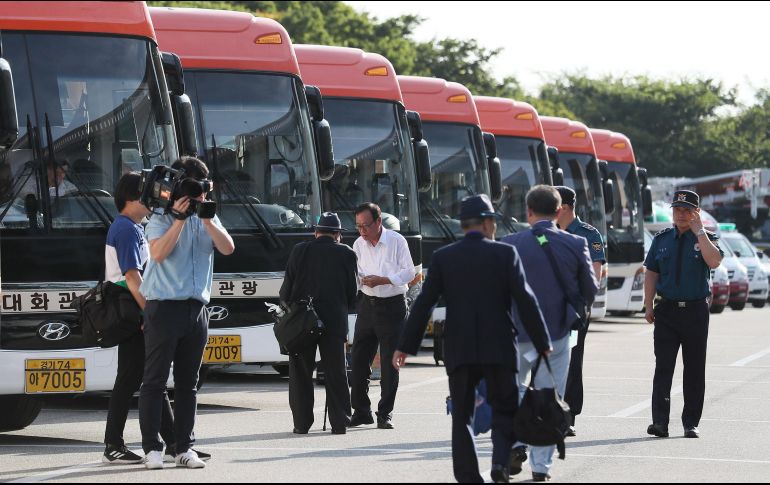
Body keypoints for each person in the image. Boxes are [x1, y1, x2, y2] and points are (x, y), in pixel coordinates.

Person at [394, 194, 552, 484]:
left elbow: (424, 303)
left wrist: (404, 346)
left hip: (460, 348)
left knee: (463, 415)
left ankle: (467, 476)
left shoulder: (444, 257)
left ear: (463, 225)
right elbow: (525, 300)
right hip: (499, 347)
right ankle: (500, 464)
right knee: (505, 409)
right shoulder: (505, 254)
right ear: (488, 223)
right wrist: (542, 342)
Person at [101, 172, 210, 466]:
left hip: (139, 310)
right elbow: (132, 277)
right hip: (134, 310)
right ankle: (114, 443)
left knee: (150, 378)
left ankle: (174, 442)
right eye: (147, 194)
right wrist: (149, 312)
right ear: (132, 198)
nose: (155, 199)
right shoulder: (126, 229)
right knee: (134, 379)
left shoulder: (134, 227)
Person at [139, 157, 235, 470]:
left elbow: (228, 248)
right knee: (155, 381)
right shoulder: (160, 216)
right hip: (164, 306)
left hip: (197, 309)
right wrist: (179, 219)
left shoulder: (208, 215)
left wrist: (207, 220)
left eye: (203, 188)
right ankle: (152, 448)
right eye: (193, 187)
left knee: (188, 384)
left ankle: (184, 447)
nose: (198, 194)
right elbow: (158, 253)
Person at [502, 185, 598, 482]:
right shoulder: (576, 243)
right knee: (548, 397)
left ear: (528, 211)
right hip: (556, 333)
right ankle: (541, 467)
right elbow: (590, 288)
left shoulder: (510, 243)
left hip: (517, 332)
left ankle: (514, 444)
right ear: (559, 211)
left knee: (513, 389)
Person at [644, 190, 723, 439]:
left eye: (687, 210)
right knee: (663, 368)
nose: (681, 214)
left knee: (694, 369)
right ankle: (660, 422)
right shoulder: (661, 239)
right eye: (677, 209)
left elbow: (714, 261)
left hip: (695, 311)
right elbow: (652, 272)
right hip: (666, 311)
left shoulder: (706, 238)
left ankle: (691, 423)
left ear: (696, 213)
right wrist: (648, 304)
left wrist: (700, 232)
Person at [280, 212, 358, 435]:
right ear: (337, 234)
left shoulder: (299, 250)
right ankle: (340, 422)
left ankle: (301, 423)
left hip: (303, 321)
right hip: (334, 321)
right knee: (336, 372)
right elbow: (352, 294)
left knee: (300, 373)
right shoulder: (347, 253)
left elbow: (286, 290)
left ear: (316, 232)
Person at [349, 203, 416, 430]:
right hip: (367, 305)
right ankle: (361, 411)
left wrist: (384, 280)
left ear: (378, 222)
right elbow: (356, 273)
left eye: (366, 226)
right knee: (358, 360)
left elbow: (409, 272)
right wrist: (362, 281)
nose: (362, 231)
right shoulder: (358, 244)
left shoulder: (397, 241)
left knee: (390, 363)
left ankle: (384, 413)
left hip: (392, 306)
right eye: (358, 226)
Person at [555, 185, 605, 436]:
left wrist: (582, 304)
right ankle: (546, 411)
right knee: (544, 361)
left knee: (573, 361)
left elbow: (596, 272)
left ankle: (569, 415)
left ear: (564, 207)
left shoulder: (588, 234)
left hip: (574, 310)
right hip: (548, 308)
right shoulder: (546, 233)